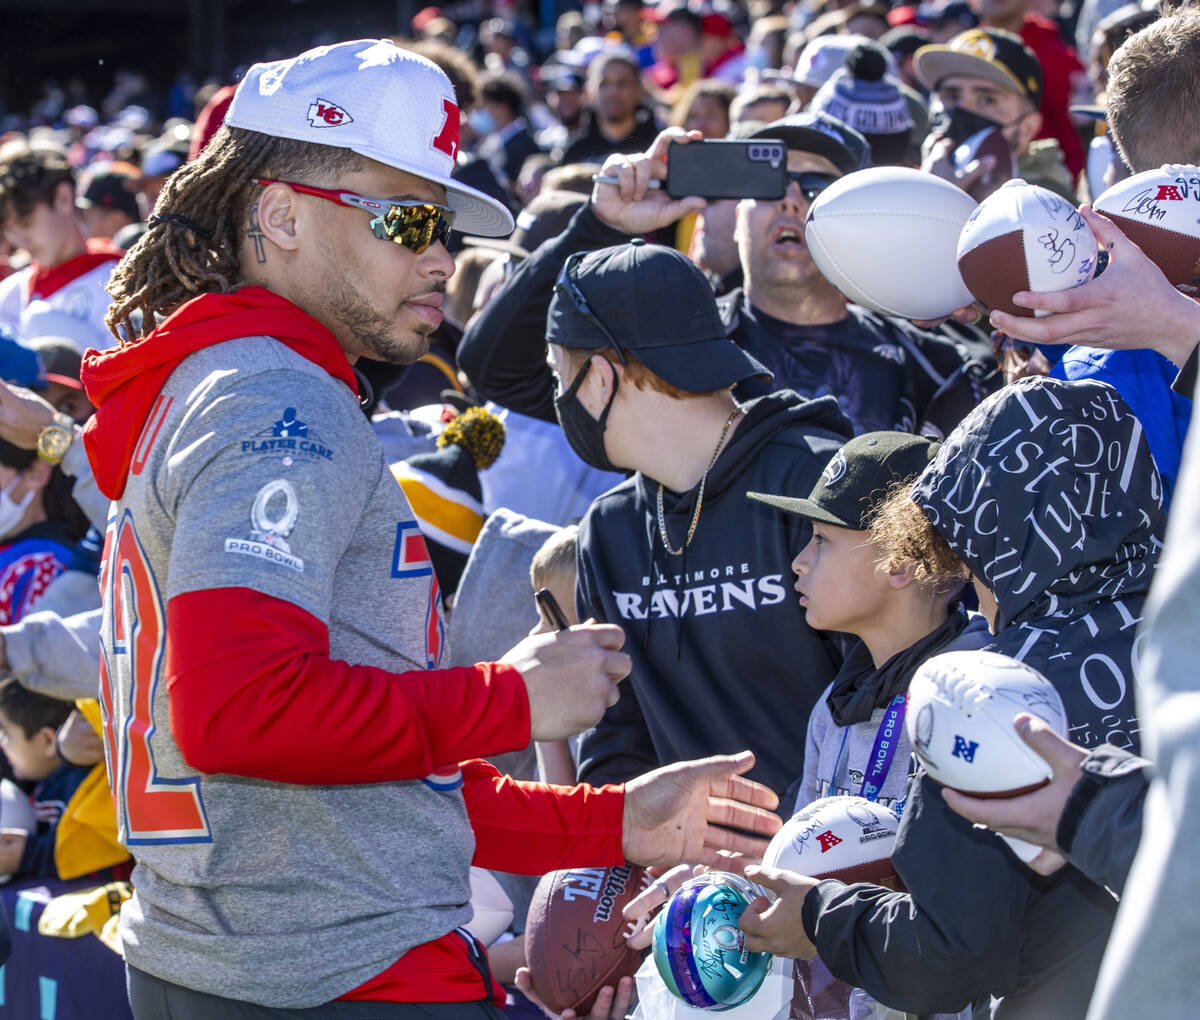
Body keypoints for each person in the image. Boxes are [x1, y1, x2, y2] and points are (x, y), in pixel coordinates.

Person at [82, 39, 782, 1018]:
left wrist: (615, 821)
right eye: (408, 219)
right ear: (279, 215)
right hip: (336, 976)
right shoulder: (276, 403)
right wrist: (510, 701)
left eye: (445, 224)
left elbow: (366, 785)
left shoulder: (224, 382)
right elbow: (241, 713)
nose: (441, 257)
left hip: (229, 959)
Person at [735, 376, 1163, 1018]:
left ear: (1001, 529)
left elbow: (947, 955)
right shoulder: (1175, 637)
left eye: (961, 532)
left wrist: (821, 919)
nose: (959, 561)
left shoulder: (986, 691)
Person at [550, 240, 855, 797]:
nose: (558, 397)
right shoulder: (609, 531)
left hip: (834, 865)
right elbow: (618, 742)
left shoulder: (815, 480)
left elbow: (887, 698)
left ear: (599, 378)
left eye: (558, 375)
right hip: (688, 874)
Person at [460, 120, 991, 440]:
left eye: (816, 186)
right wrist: (599, 226)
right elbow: (497, 370)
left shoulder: (935, 359)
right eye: (767, 181)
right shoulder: (670, 346)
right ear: (735, 214)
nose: (789, 200)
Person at [747, 431, 989, 817]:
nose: (799, 561)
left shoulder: (981, 699)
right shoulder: (835, 704)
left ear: (901, 562)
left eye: (822, 539)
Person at [915, 28, 1074, 199]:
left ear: (1028, 127)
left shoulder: (1050, 204)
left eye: (987, 100)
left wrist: (939, 199)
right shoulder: (917, 175)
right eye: (951, 96)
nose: (963, 108)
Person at [0, 141, 122, 349]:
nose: (19, 241)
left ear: (63, 198)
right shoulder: (10, 294)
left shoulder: (122, 280)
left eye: (26, 223)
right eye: (9, 229)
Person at [0, 680, 89, 879]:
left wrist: (28, 856)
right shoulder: (38, 776)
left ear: (48, 740)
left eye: (5, 733)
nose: (2, 743)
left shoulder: (81, 785)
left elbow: (99, 858)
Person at [560, 49, 660, 166]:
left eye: (622, 83)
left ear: (640, 91)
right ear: (588, 92)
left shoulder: (658, 149)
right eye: (603, 84)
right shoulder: (575, 153)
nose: (613, 92)